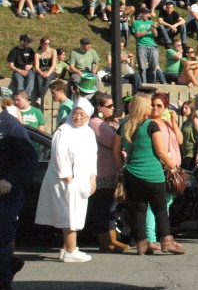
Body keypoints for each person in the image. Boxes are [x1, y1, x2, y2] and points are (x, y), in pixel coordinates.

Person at [113, 93, 185, 256]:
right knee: (160, 208)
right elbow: (161, 151)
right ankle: (167, 241)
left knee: (138, 210)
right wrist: (174, 167)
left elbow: (116, 151)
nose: (152, 107)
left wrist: (122, 167)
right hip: (152, 172)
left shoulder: (124, 126)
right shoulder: (151, 125)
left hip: (132, 173)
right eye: (150, 105)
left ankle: (142, 244)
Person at [34, 98, 98, 262]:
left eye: (82, 115)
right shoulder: (64, 131)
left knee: (76, 213)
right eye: (75, 114)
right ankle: (71, 250)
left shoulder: (88, 132)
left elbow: (93, 157)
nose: (78, 118)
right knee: (69, 214)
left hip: (81, 179)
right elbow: (59, 156)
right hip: (66, 180)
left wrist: (92, 177)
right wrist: (68, 178)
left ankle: (66, 248)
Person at [0, 110, 38, 290]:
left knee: (2, 237)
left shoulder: (11, 127)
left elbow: (29, 159)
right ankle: (10, 263)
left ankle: (3, 287)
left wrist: (10, 179)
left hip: (6, 194)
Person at [85, 92, 128, 252]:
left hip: (110, 171)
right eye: (109, 106)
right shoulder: (96, 123)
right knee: (103, 207)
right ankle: (106, 240)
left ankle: (111, 238)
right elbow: (113, 141)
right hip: (103, 173)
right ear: (99, 108)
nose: (113, 109)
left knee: (109, 207)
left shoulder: (105, 122)